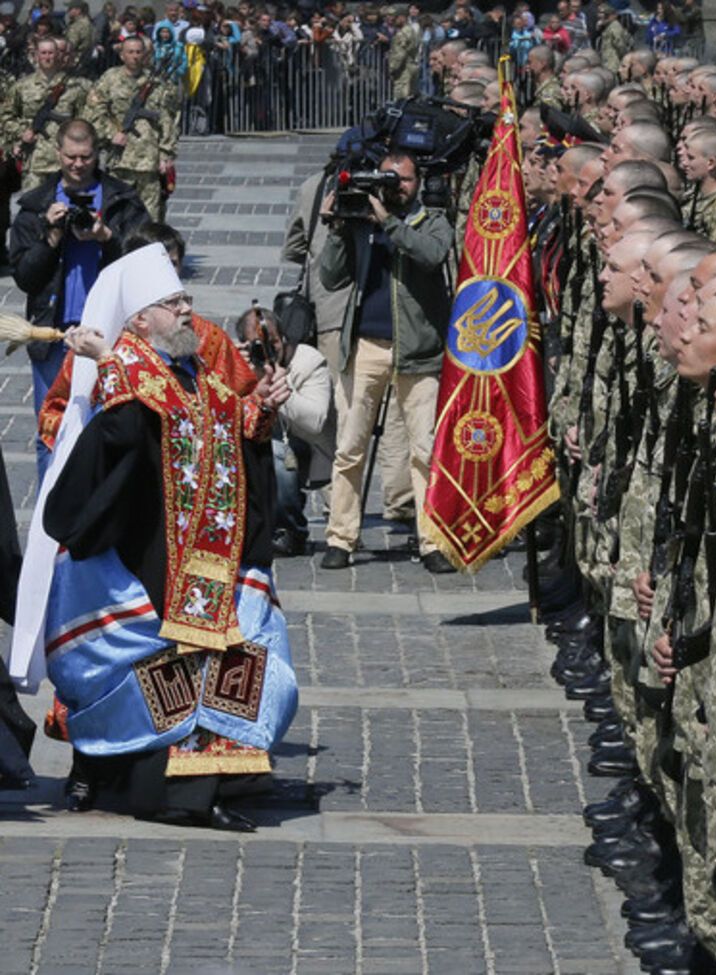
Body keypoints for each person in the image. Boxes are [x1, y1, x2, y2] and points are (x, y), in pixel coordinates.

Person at [32, 242, 297, 830]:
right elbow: (117, 435)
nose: (187, 309)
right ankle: (156, 786)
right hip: (138, 559)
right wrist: (111, 364)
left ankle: (209, 781)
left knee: (239, 660)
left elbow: (222, 416)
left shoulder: (189, 365)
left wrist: (260, 409)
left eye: (185, 298)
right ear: (139, 319)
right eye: (173, 302)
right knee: (151, 683)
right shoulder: (122, 368)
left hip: (205, 560)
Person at [316, 150, 454, 573]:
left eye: (405, 180)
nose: (397, 187)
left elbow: (432, 255)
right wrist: (337, 228)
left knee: (425, 451)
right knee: (349, 448)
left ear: (417, 183)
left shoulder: (431, 221)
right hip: (365, 347)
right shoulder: (362, 220)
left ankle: (431, 541)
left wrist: (389, 222)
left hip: (419, 351)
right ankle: (341, 538)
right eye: (389, 179)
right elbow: (331, 277)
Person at [9, 118, 149, 475]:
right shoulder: (35, 206)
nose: (77, 164)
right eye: (71, 156)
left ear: (96, 154)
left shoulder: (122, 201)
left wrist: (106, 237)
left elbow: (145, 263)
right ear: (58, 152)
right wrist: (51, 237)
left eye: (85, 157)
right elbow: (25, 277)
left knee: (108, 430)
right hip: (53, 334)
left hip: (110, 334)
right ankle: (49, 511)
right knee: (51, 433)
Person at [236, 305, 335, 558]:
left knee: (277, 453)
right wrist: (241, 377)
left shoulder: (308, 361)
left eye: (274, 343)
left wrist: (281, 389)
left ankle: (289, 529)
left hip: (300, 448)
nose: (268, 351)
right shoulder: (236, 364)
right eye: (258, 345)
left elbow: (316, 421)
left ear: (284, 338)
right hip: (249, 442)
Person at [85, 34, 179, 221]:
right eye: (130, 52)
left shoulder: (157, 83)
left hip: (149, 161)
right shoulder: (109, 79)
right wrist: (111, 134)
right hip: (119, 160)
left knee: (151, 217)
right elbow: (93, 112)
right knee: (117, 215)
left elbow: (167, 120)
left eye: (138, 52)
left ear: (145, 54)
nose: (135, 56)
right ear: (122, 55)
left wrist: (166, 154)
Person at [0, 35, 90, 192]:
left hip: (66, 162)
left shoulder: (75, 86)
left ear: (58, 55)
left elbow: (85, 121)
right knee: (33, 204)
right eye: (43, 53)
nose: (47, 57)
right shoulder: (21, 86)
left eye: (51, 53)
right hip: (34, 161)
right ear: (36, 56)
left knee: (66, 204)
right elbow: (5, 116)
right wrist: (22, 132)